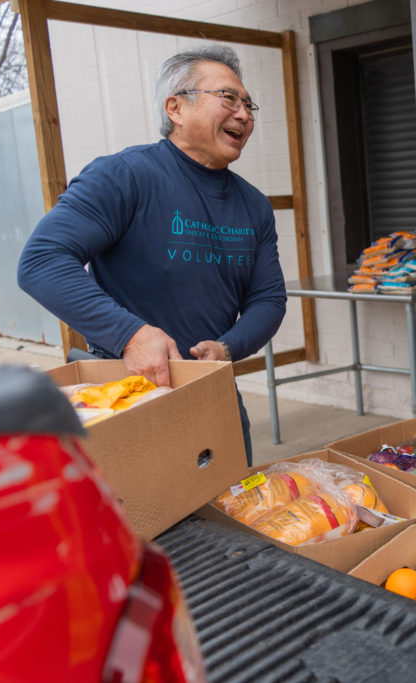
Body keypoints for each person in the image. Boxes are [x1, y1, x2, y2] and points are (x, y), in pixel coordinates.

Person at [17, 45, 286, 465]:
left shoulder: (253, 206)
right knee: (145, 527)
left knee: (235, 516)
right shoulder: (123, 176)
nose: (244, 115)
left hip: (213, 393)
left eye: (249, 104)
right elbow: (42, 261)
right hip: (129, 394)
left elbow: (268, 299)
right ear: (176, 108)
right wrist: (131, 335)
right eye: (229, 98)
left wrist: (228, 348)